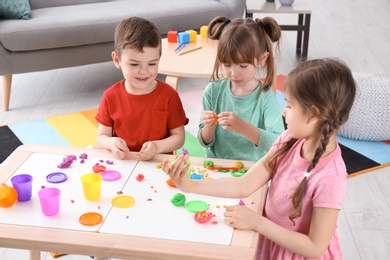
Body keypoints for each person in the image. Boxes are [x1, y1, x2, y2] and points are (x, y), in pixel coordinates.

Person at [163, 58, 356, 259]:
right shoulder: (290, 139)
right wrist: (189, 186)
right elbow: (244, 185)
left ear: (314, 114)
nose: (283, 112)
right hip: (271, 241)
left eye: (289, 106)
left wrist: (256, 222)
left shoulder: (330, 177)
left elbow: (315, 247)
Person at [96, 17, 188, 160]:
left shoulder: (169, 96)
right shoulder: (110, 96)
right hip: (123, 163)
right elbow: (101, 137)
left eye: (152, 64)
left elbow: (179, 137)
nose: (144, 71)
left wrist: (157, 147)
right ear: (117, 60)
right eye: (134, 64)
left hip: (157, 164)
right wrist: (111, 142)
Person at [197, 16, 285, 161]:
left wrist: (242, 127)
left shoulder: (265, 97)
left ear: (262, 59)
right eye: (226, 65)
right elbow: (204, 142)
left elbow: (279, 144)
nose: (233, 73)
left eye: (243, 66)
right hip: (217, 167)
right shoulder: (212, 91)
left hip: (252, 172)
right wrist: (208, 127)